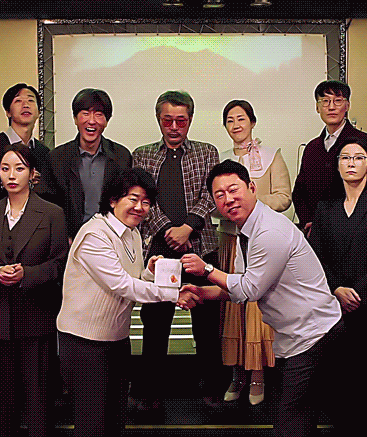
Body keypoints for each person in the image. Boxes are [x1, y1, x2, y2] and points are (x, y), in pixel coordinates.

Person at [180, 160, 344, 437]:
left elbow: (250, 290)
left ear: (252, 188)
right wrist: (201, 292)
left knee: (291, 423)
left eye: (234, 190)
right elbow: (240, 285)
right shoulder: (247, 229)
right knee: (297, 419)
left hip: (314, 336)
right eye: (219, 195)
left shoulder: (269, 231)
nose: (228, 199)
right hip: (297, 336)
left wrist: (206, 270)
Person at [56, 167, 197, 436]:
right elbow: (122, 285)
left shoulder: (132, 233)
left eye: (146, 202)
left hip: (116, 339)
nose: (139, 207)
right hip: (85, 343)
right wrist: (174, 295)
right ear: (113, 200)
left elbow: (132, 278)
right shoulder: (95, 235)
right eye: (133, 199)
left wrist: (149, 273)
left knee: (115, 419)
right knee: (92, 424)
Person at [131, 90, 222, 408]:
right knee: (155, 325)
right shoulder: (142, 155)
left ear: (190, 120)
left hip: (201, 249)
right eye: (167, 120)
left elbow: (212, 194)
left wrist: (188, 227)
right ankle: (149, 391)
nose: (173, 127)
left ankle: (212, 387)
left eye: (180, 120)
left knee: (207, 325)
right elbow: (141, 198)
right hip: (160, 253)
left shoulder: (207, 152)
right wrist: (168, 230)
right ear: (159, 120)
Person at [0, 144, 68, 437]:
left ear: (33, 173)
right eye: (5, 168)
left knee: (38, 398)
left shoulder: (52, 213)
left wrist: (28, 274)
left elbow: (60, 263)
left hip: (36, 316)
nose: (11, 175)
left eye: (19, 168)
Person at [306, 137, 367, 434]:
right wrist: (336, 290)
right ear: (337, 165)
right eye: (345, 158)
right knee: (339, 384)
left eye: (358, 158)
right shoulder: (325, 207)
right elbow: (315, 258)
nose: (351, 163)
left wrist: (356, 295)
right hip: (335, 308)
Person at [215, 100, 291, 405]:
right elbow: (212, 201)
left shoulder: (272, 156)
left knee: (257, 309)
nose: (236, 125)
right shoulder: (220, 159)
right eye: (230, 120)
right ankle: (237, 374)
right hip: (229, 241)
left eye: (241, 119)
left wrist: (249, 207)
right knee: (232, 309)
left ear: (252, 122)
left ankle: (257, 375)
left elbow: (284, 198)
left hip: (259, 240)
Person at [43, 88, 132, 240]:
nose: (91, 121)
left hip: (111, 240)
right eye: (85, 113)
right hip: (68, 240)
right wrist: (63, 238)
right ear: (75, 118)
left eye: (99, 114)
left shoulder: (121, 156)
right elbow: (48, 204)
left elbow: (126, 201)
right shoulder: (56, 158)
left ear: (106, 121)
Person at [292, 80, 367, 234]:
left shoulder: (364, 142)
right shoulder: (311, 147)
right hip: (315, 229)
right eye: (325, 101)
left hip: (353, 228)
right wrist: (308, 221)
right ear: (317, 107)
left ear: (347, 105)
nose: (331, 107)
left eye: (338, 101)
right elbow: (299, 191)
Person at [0, 83, 51, 210]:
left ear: (38, 112)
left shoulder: (44, 152)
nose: (26, 105)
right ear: (8, 112)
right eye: (18, 101)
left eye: (31, 100)